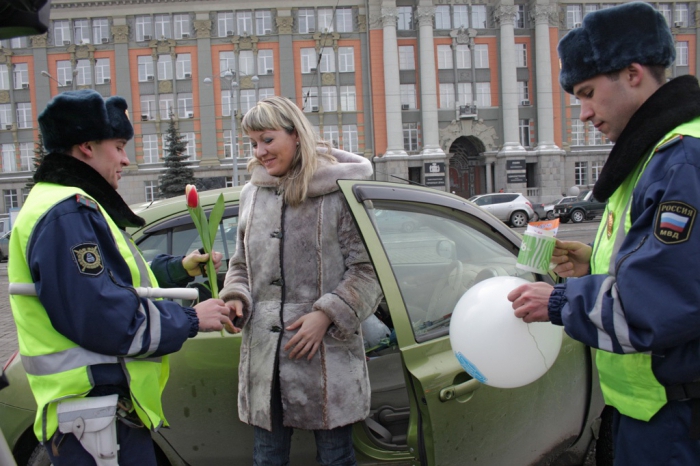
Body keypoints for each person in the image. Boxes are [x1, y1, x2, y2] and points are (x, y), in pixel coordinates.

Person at [507, 3, 700, 464]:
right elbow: (664, 261)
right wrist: (594, 260)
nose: (585, 113)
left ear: (633, 73)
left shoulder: (682, 160)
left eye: (589, 93)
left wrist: (556, 302)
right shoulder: (653, 154)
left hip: (678, 422)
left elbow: (660, 302)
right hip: (651, 409)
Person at [8, 89, 233, 465]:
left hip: (98, 415)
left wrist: (177, 268)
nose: (126, 160)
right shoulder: (67, 213)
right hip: (95, 423)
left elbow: (113, 279)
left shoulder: (72, 204)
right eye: (118, 146)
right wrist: (193, 318)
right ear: (85, 147)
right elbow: (105, 316)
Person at [220, 96, 383, 466]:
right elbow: (241, 263)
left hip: (327, 354)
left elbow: (368, 270)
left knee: (336, 458)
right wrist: (236, 297)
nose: (260, 152)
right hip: (266, 356)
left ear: (296, 135)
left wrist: (326, 314)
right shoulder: (252, 195)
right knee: (267, 458)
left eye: (267, 139)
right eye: (253, 143)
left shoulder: (339, 192)